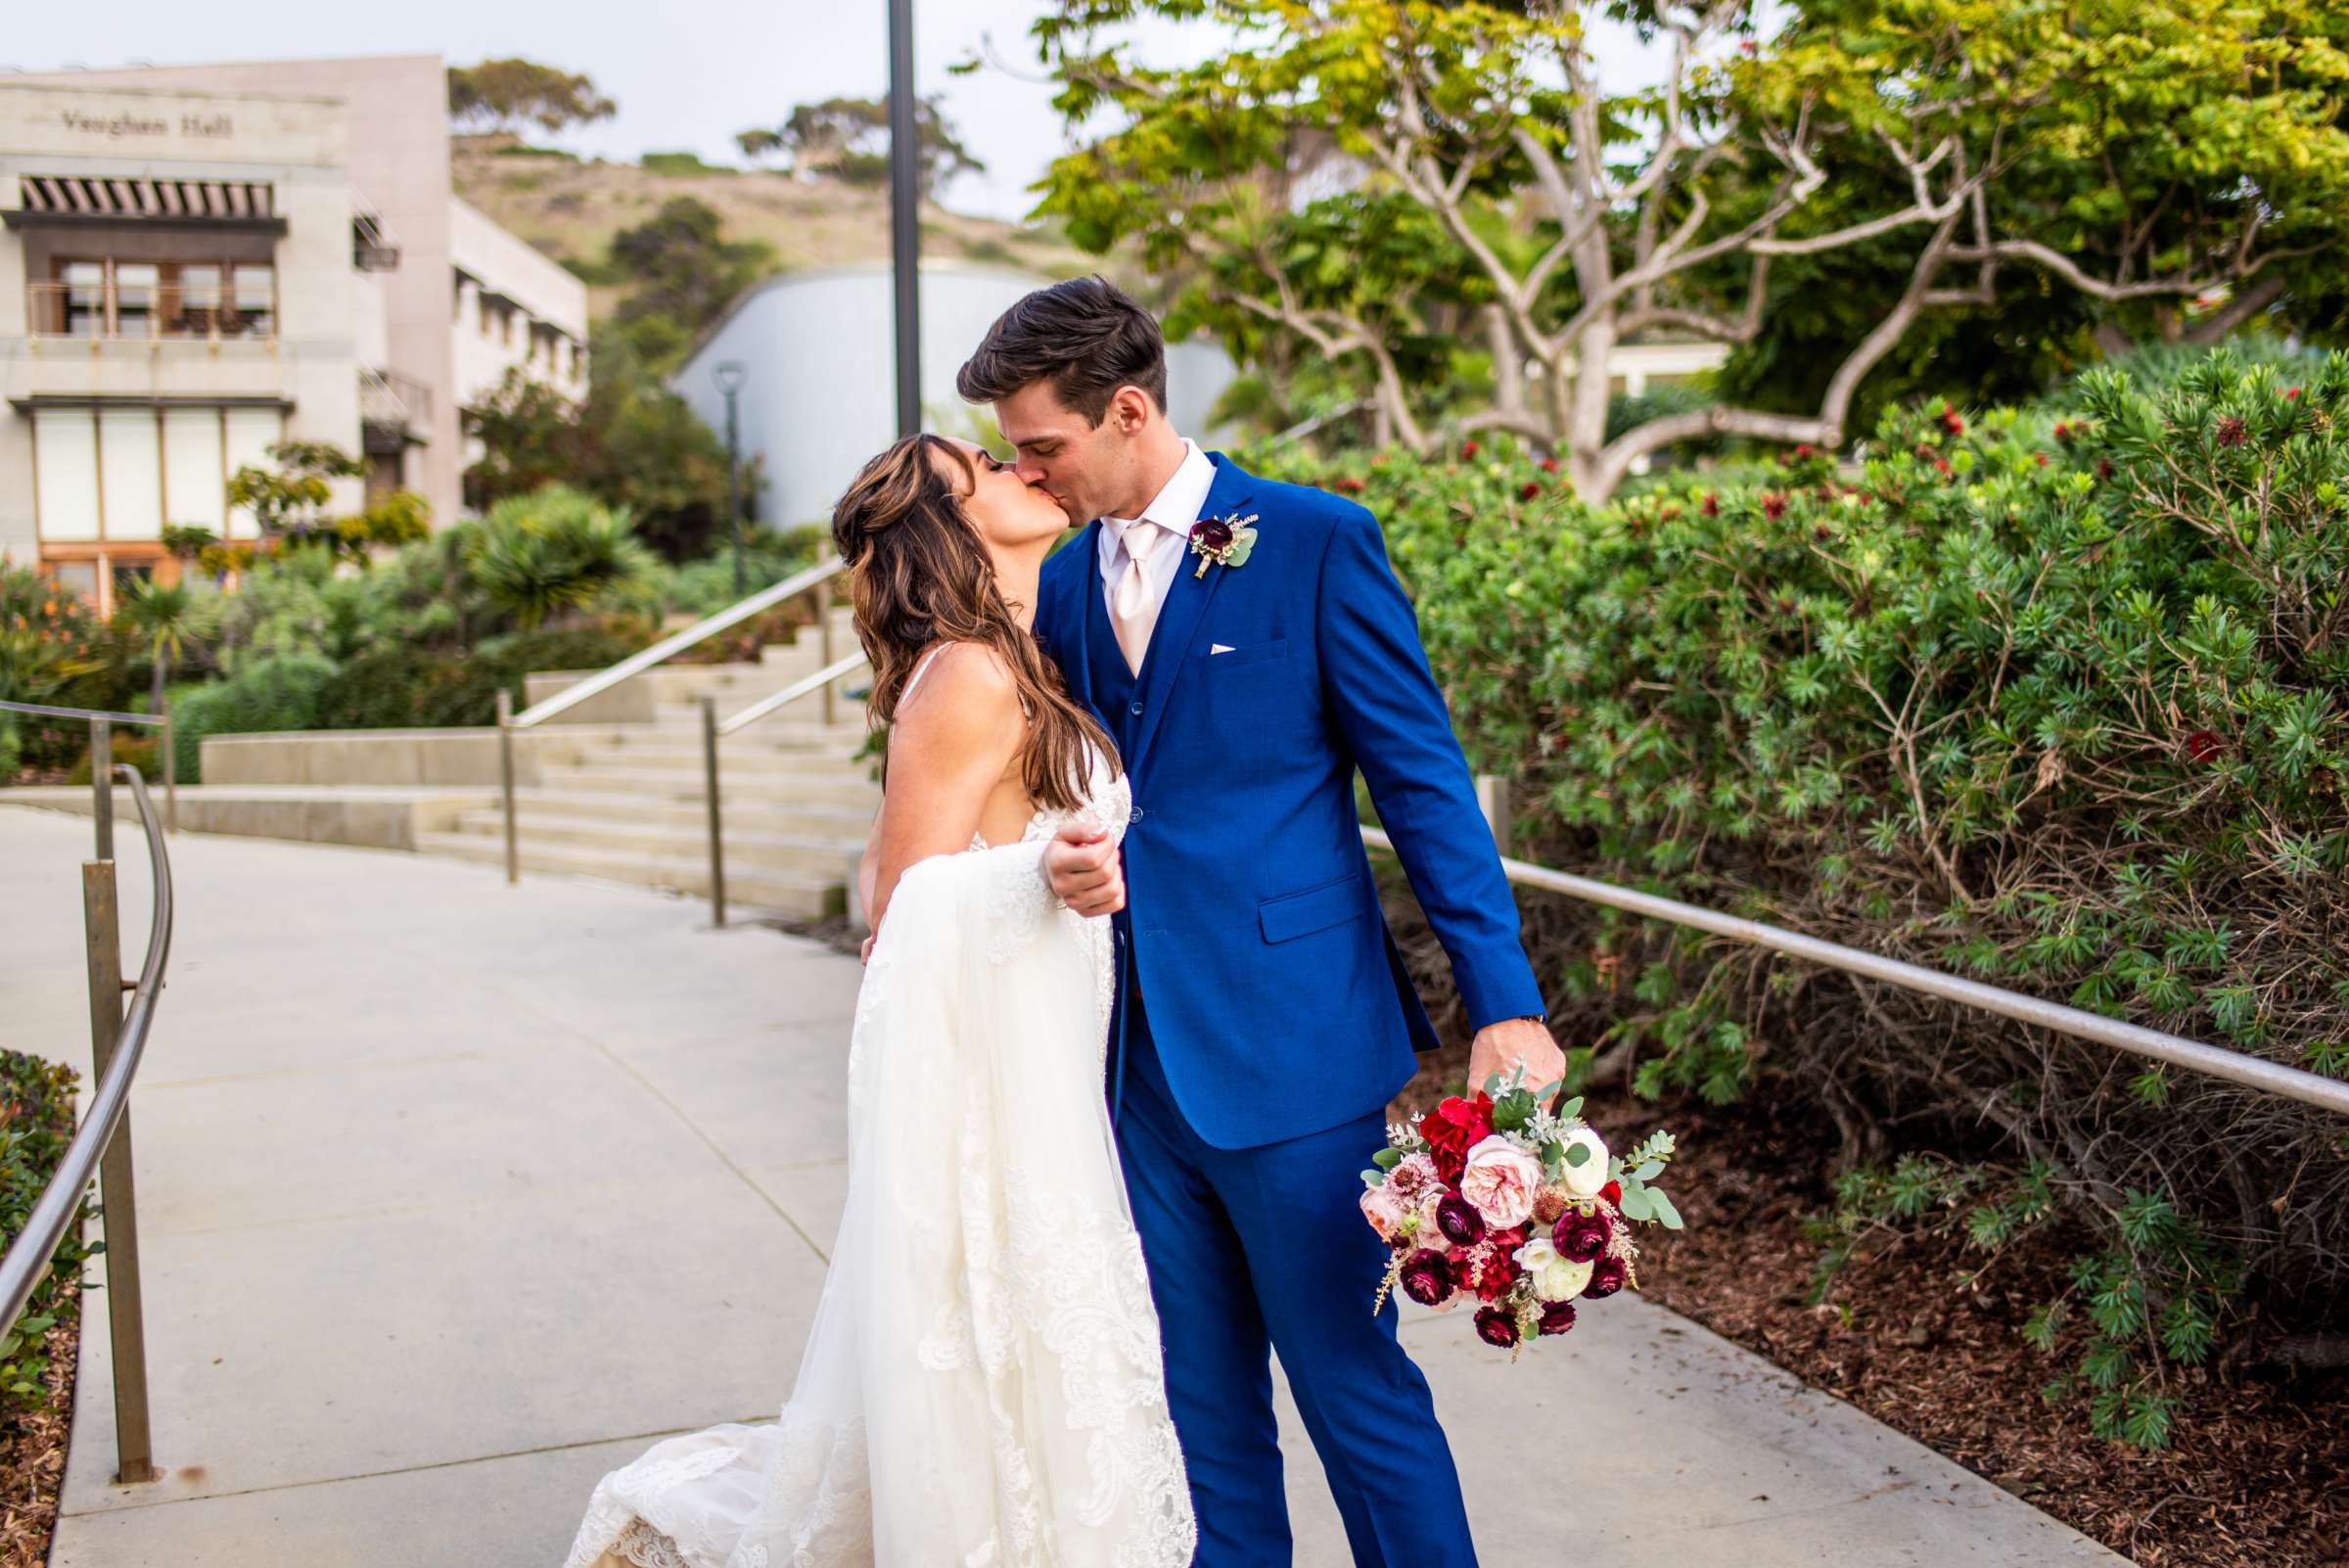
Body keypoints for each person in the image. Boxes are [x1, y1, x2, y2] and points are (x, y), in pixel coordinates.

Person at [958, 275, 1562, 1567]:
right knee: (1194, 1413)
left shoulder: (1313, 540)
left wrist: (1505, 1000)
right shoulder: (1061, 587)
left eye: (1044, 446)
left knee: (1352, 1389)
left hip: (1294, 1055)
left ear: (1127, 410)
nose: (1030, 471)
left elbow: (1426, 786)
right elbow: (1071, 791)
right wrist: (1056, 862)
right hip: (1125, 1066)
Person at [559, 435, 1195, 1567]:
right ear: (950, 524)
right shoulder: (969, 674)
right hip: (1000, 1087)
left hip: (1046, 1051)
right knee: (1003, 1344)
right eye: (989, 466)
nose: (1021, 468)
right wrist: (1034, 874)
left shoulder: (1025, 656)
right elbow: (899, 902)